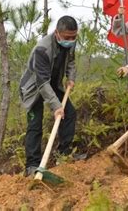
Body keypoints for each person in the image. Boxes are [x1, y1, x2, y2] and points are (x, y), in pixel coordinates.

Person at [19, 16, 78, 176]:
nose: (71, 40)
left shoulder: (70, 41)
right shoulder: (42, 50)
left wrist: (71, 77)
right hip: (34, 88)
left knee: (70, 113)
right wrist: (56, 106)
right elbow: (42, 83)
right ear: (57, 33)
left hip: (53, 83)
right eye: (67, 38)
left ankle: (63, 155)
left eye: (74, 37)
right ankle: (32, 166)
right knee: (35, 124)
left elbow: (71, 61)